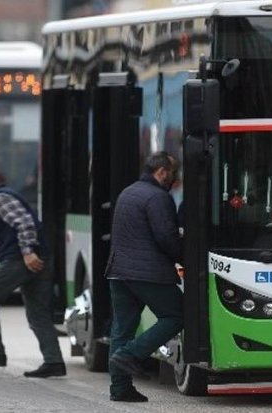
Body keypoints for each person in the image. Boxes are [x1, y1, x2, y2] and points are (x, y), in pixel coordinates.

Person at [0, 171, 65, 378]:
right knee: (38, 314)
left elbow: (24, 223)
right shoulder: (3, 195)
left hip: (21, 260)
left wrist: (27, 252)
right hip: (38, 258)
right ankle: (54, 362)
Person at [105, 151, 184, 403]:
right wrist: (185, 258)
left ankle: (120, 388)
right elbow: (166, 237)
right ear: (161, 172)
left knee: (122, 329)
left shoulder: (127, 192)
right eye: (173, 174)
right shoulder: (158, 197)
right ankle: (131, 355)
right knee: (177, 315)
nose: (175, 180)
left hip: (118, 272)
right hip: (148, 273)